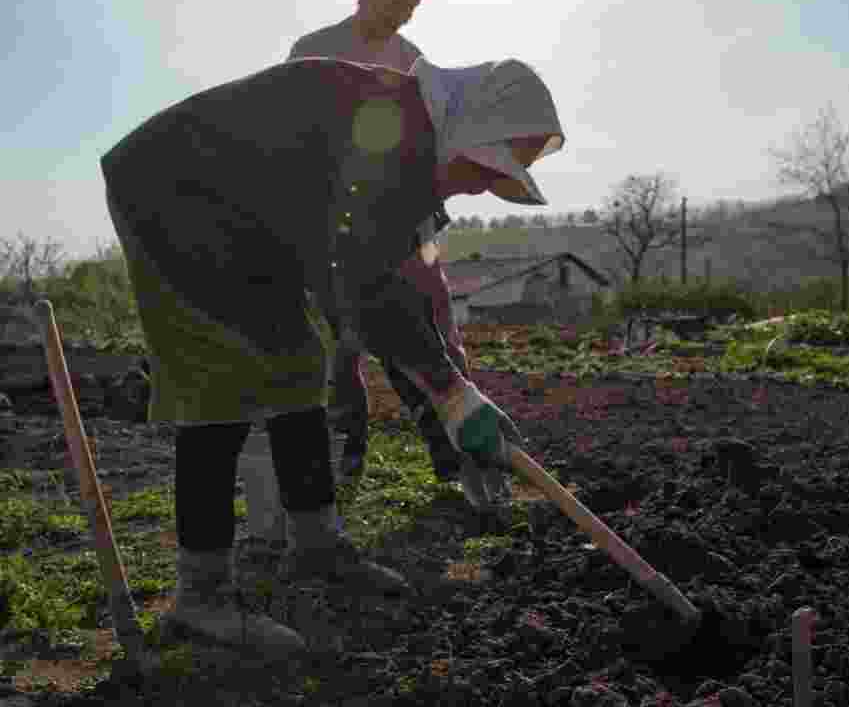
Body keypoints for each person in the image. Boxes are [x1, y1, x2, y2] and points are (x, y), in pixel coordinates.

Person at [100, 54, 565, 657]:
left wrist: (455, 391)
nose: (479, 187)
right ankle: (202, 600)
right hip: (172, 192)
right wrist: (450, 395)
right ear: (466, 129)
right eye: (481, 171)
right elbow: (366, 288)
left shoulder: (412, 144)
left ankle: (317, 547)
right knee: (219, 376)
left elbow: (391, 286)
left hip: (248, 219)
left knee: (298, 360)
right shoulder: (387, 130)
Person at [288, 0, 469, 490]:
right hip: (334, 231)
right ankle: (348, 457)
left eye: (414, 7)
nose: (405, 14)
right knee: (342, 349)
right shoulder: (312, 53)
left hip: (411, 228)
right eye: (398, 1)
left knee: (438, 338)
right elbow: (291, 142)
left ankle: (459, 459)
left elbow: (430, 147)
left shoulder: (414, 62)